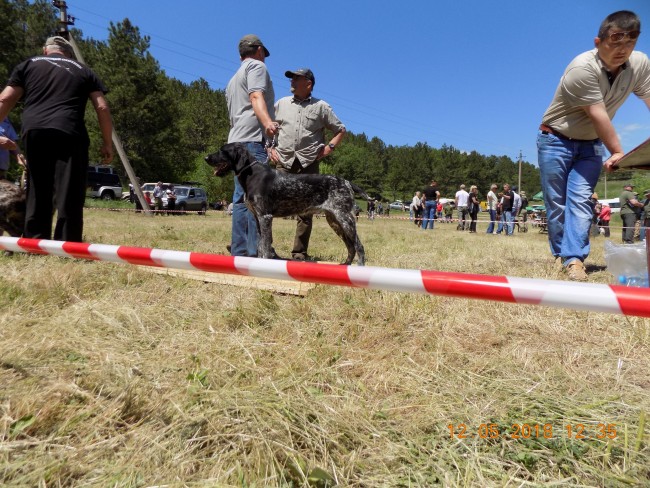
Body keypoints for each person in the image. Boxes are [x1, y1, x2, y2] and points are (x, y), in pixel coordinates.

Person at [537, 10, 650, 281]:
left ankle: (574, 258)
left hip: (589, 146)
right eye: (615, 42)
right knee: (556, 204)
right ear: (598, 42)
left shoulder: (640, 64)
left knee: (580, 200)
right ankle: (560, 253)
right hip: (554, 140)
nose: (623, 50)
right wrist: (618, 151)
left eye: (630, 43)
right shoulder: (581, 68)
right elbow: (597, 114)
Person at [0, 36, 113, 241]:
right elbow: (102, 107)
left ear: (45, 50)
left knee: (37, 188)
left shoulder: (28, 65)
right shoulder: (83, 70)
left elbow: (6, 98)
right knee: (70, 189)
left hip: (35, 130)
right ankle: (67, 244)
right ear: (68, 53)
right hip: (70, 131)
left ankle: (35, 241)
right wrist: (107, 143)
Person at [269, 68, 346, 260]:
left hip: (308, 163)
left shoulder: (321, 107)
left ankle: (299, 252)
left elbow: (341, 129)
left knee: (306, 210)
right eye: (292, 79)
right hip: (283, 162)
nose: (292, 82)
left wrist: (329, 148)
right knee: (268, 205)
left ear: (308, 84)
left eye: (297, 79)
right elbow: (269, 128)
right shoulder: (281, 104)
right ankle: (267, 249)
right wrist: (269, 148)